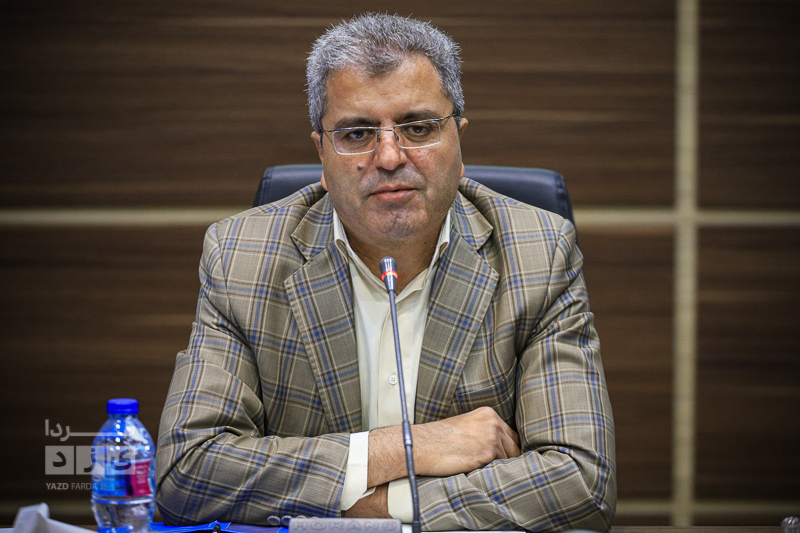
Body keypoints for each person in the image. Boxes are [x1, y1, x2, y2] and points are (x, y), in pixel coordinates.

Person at [156, 13, 616, 532]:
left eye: (418, 128)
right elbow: (186, 472)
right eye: (357, 133)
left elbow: (581, 481)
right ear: (322, 155)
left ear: (458, 142)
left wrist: (373, 509)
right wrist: (406, 447)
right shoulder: (242, 256)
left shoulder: (539, 254)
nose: (391, 156)